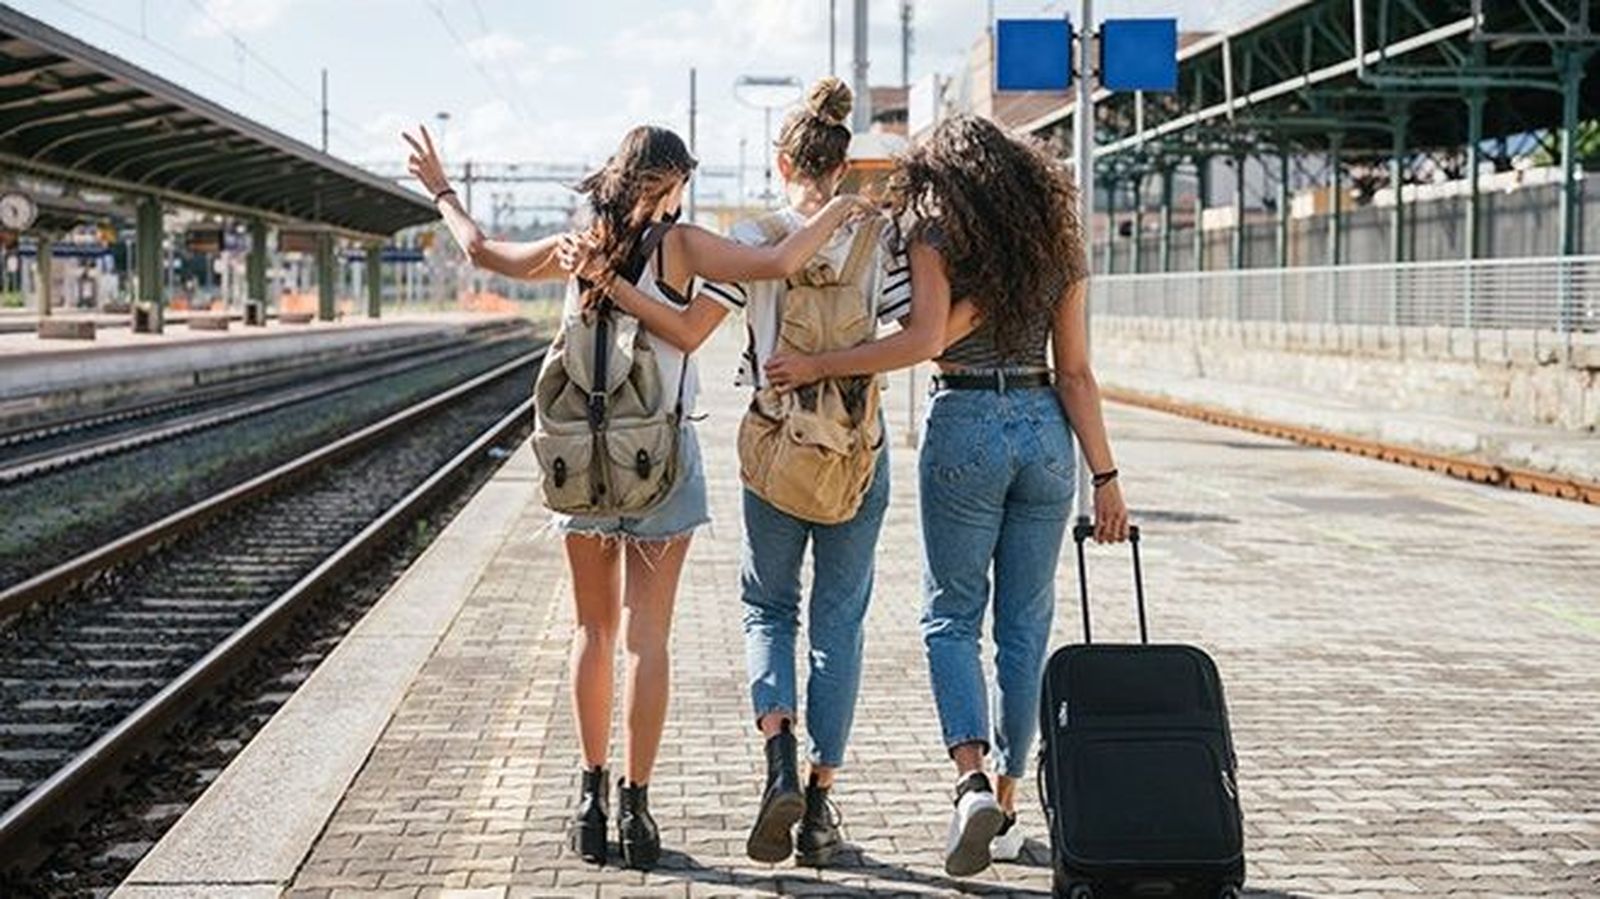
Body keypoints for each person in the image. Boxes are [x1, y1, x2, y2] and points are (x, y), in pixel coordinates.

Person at [403, 123, 867, 870]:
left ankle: (589, 800)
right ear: (674, 181)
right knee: (645, 638)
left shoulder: (576, 242)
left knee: (590, 632)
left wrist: (441, 189)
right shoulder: (680, 246)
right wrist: (843, 208)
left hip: (582, 463)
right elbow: (770, 267)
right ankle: (638, 810)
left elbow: (483, 251)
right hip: (659, 460)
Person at [764, 114, 1132, 877]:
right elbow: (1077, 374)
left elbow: (924, 338)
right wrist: (1107, 477)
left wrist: (823, 361)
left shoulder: (935, 228)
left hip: (964, 417)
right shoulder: (1058, 243)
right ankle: (1007, 799)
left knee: (951, 615)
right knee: (1025, 626)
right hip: (1044, 431)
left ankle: (968, 780)